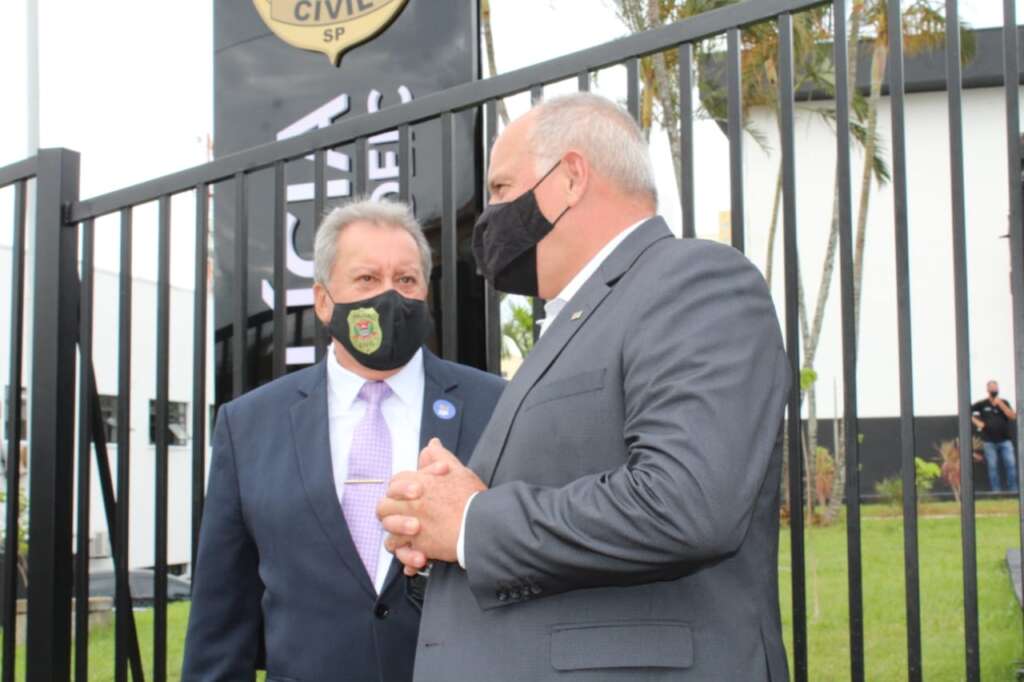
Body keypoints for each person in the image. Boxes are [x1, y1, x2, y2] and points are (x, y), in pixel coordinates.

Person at [377, 93, 792, 681]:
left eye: (500, 188)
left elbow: (686, 504)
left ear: (570, 177)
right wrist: (438, 526)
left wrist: (472, 522)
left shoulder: (692, 281)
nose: (488, 215)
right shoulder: (579, 318)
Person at [182, 199, 505, 681]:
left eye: (406, 280)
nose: (390, 296)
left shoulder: (496, 406)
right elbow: (220, 620)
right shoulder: (248, 425)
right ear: (323, 300)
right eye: (367, 280)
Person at [971, 380, 1018, 493]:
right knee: (992, 467)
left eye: (995, 388)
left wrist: (1001, 404)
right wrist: (976, 422)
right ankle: (996, 492)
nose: (994, 390)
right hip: (989, 441)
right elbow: (966, 411)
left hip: (1005, 440)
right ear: (987, 390)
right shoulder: (982, 404)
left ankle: (1013, 491)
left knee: (1011, 465)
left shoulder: (1004, 402)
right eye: (991, 388)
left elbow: (1012, 416)